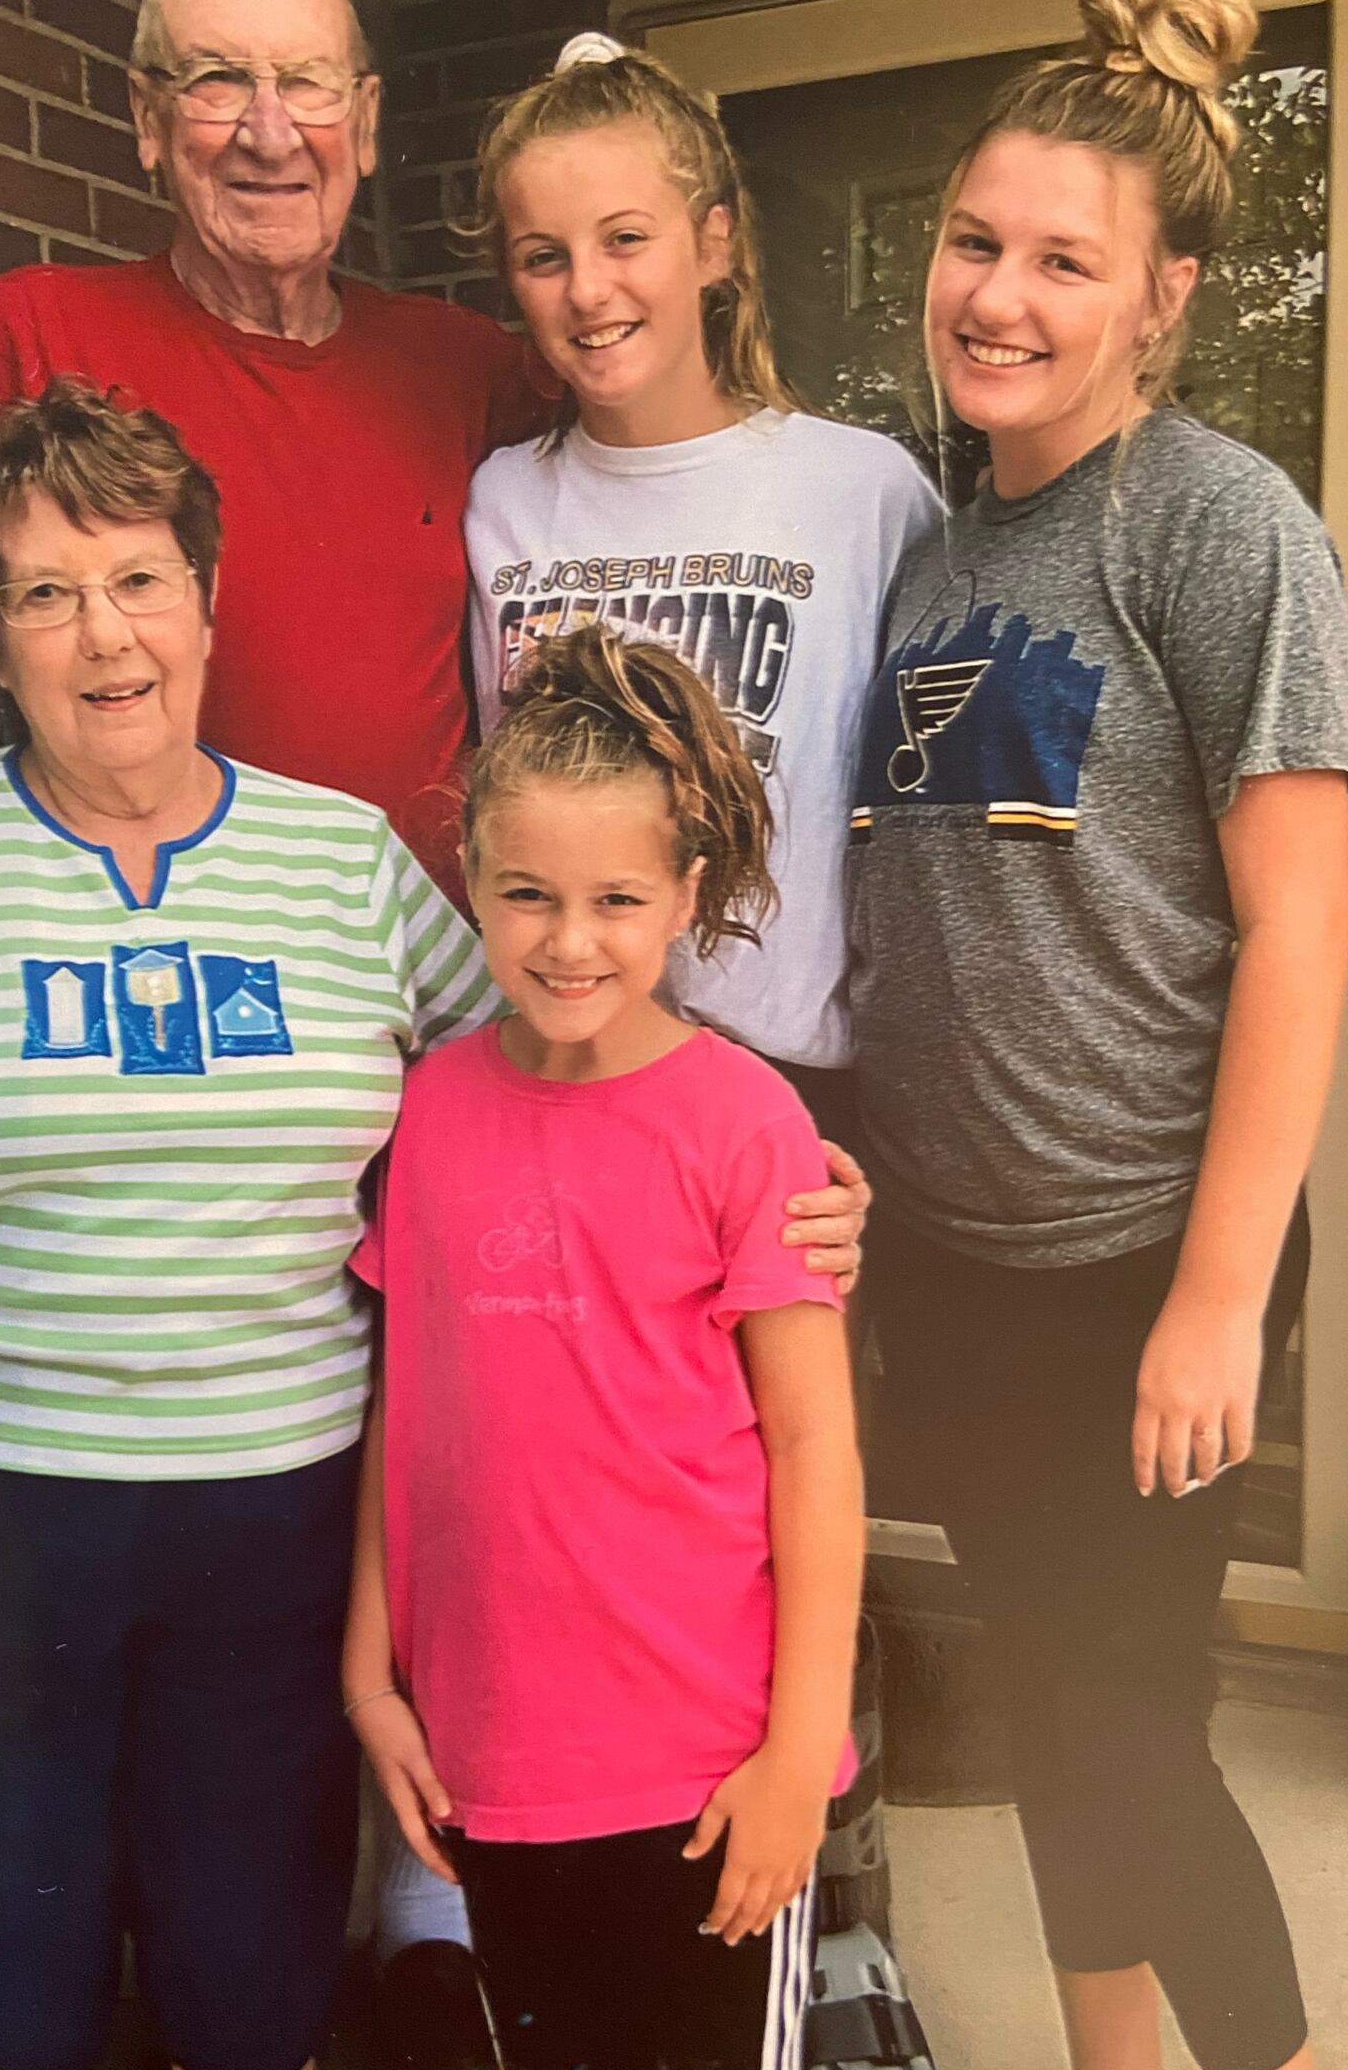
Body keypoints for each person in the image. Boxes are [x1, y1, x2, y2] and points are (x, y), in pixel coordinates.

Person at [0, 379, 500, 2070]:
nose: (108, 637)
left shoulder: (347, 863)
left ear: (208, 603)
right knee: (7, 1979)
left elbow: (523, 1100)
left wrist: (752, 1168)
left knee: (256, 1970)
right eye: (46, 593)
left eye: (142, 578)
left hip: (282, 1514)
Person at [847, 0, 1348, 2070]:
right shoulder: (931, 541)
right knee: (1056, 1713)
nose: (1001, 297)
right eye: (974, 242)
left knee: (1124, 1740)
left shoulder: (1219, 526)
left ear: (1163, 296)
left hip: (1141, 1262)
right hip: (956, 1267)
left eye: (1065, 260)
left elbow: (1301, 940)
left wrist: (1216, 1298)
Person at [0, 0, 545, 906]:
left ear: (367, 121)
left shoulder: (463, 368)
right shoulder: (28, 338)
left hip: (424, 981)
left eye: (308, 82)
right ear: (148, 118)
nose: (269, 130)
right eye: (216, 81)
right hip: (148, 992)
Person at [344, 624, 867, 2070]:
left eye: (617, 899)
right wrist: (369, 1677)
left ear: (684, 897)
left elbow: (816, 1448)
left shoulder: (745, 1123)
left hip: (707, 1769)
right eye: (528, 896)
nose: (570, 941)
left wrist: (794, 1758)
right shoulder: (434, 1107)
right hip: (493, 1759)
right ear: (473, 887)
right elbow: (414, 1408)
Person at [462, 34, 939, 1152]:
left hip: (789, 1084)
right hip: (562, 1056)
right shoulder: (497, 502)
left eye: (626, 238)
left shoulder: (860, 492)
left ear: (713, 242)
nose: (588, 289)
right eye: (543, 256)